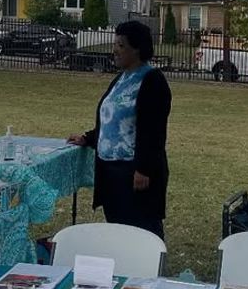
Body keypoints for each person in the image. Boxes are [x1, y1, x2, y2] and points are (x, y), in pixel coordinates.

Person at [68, 21, 171, 239]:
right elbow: (112, 121)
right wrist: (88, 138)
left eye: (121, 45)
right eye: (115, 44)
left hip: (135, 173)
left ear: (138, 48)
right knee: (117, 229)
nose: (114, 50)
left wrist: (144, 169)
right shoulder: (120, 79)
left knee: (142, 230)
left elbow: (154, 130)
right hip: (110, 172)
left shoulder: (152, 80)